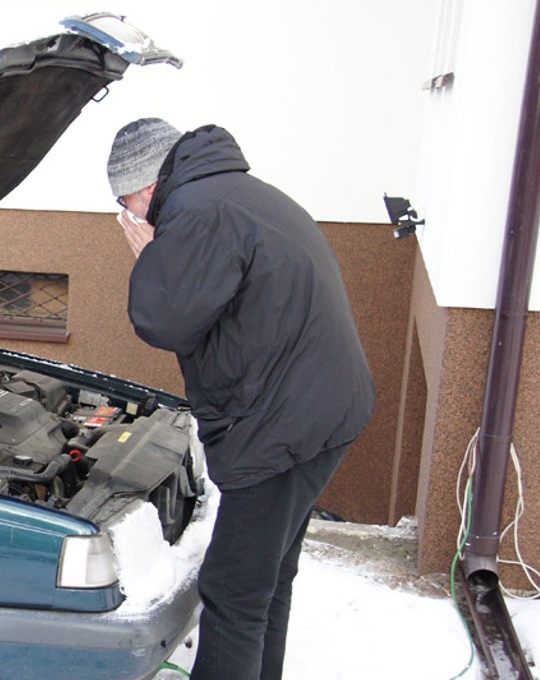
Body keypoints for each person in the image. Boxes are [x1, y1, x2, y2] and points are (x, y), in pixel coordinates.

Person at [106, 118, 376, 680]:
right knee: (264, 580)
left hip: (283, 426)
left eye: (125, 201)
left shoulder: (197, 214)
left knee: (232, 588)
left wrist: (154, 257)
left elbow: (163, 320)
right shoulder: (238, 192)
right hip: (322, 410)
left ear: (147, 184)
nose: (129, 214)